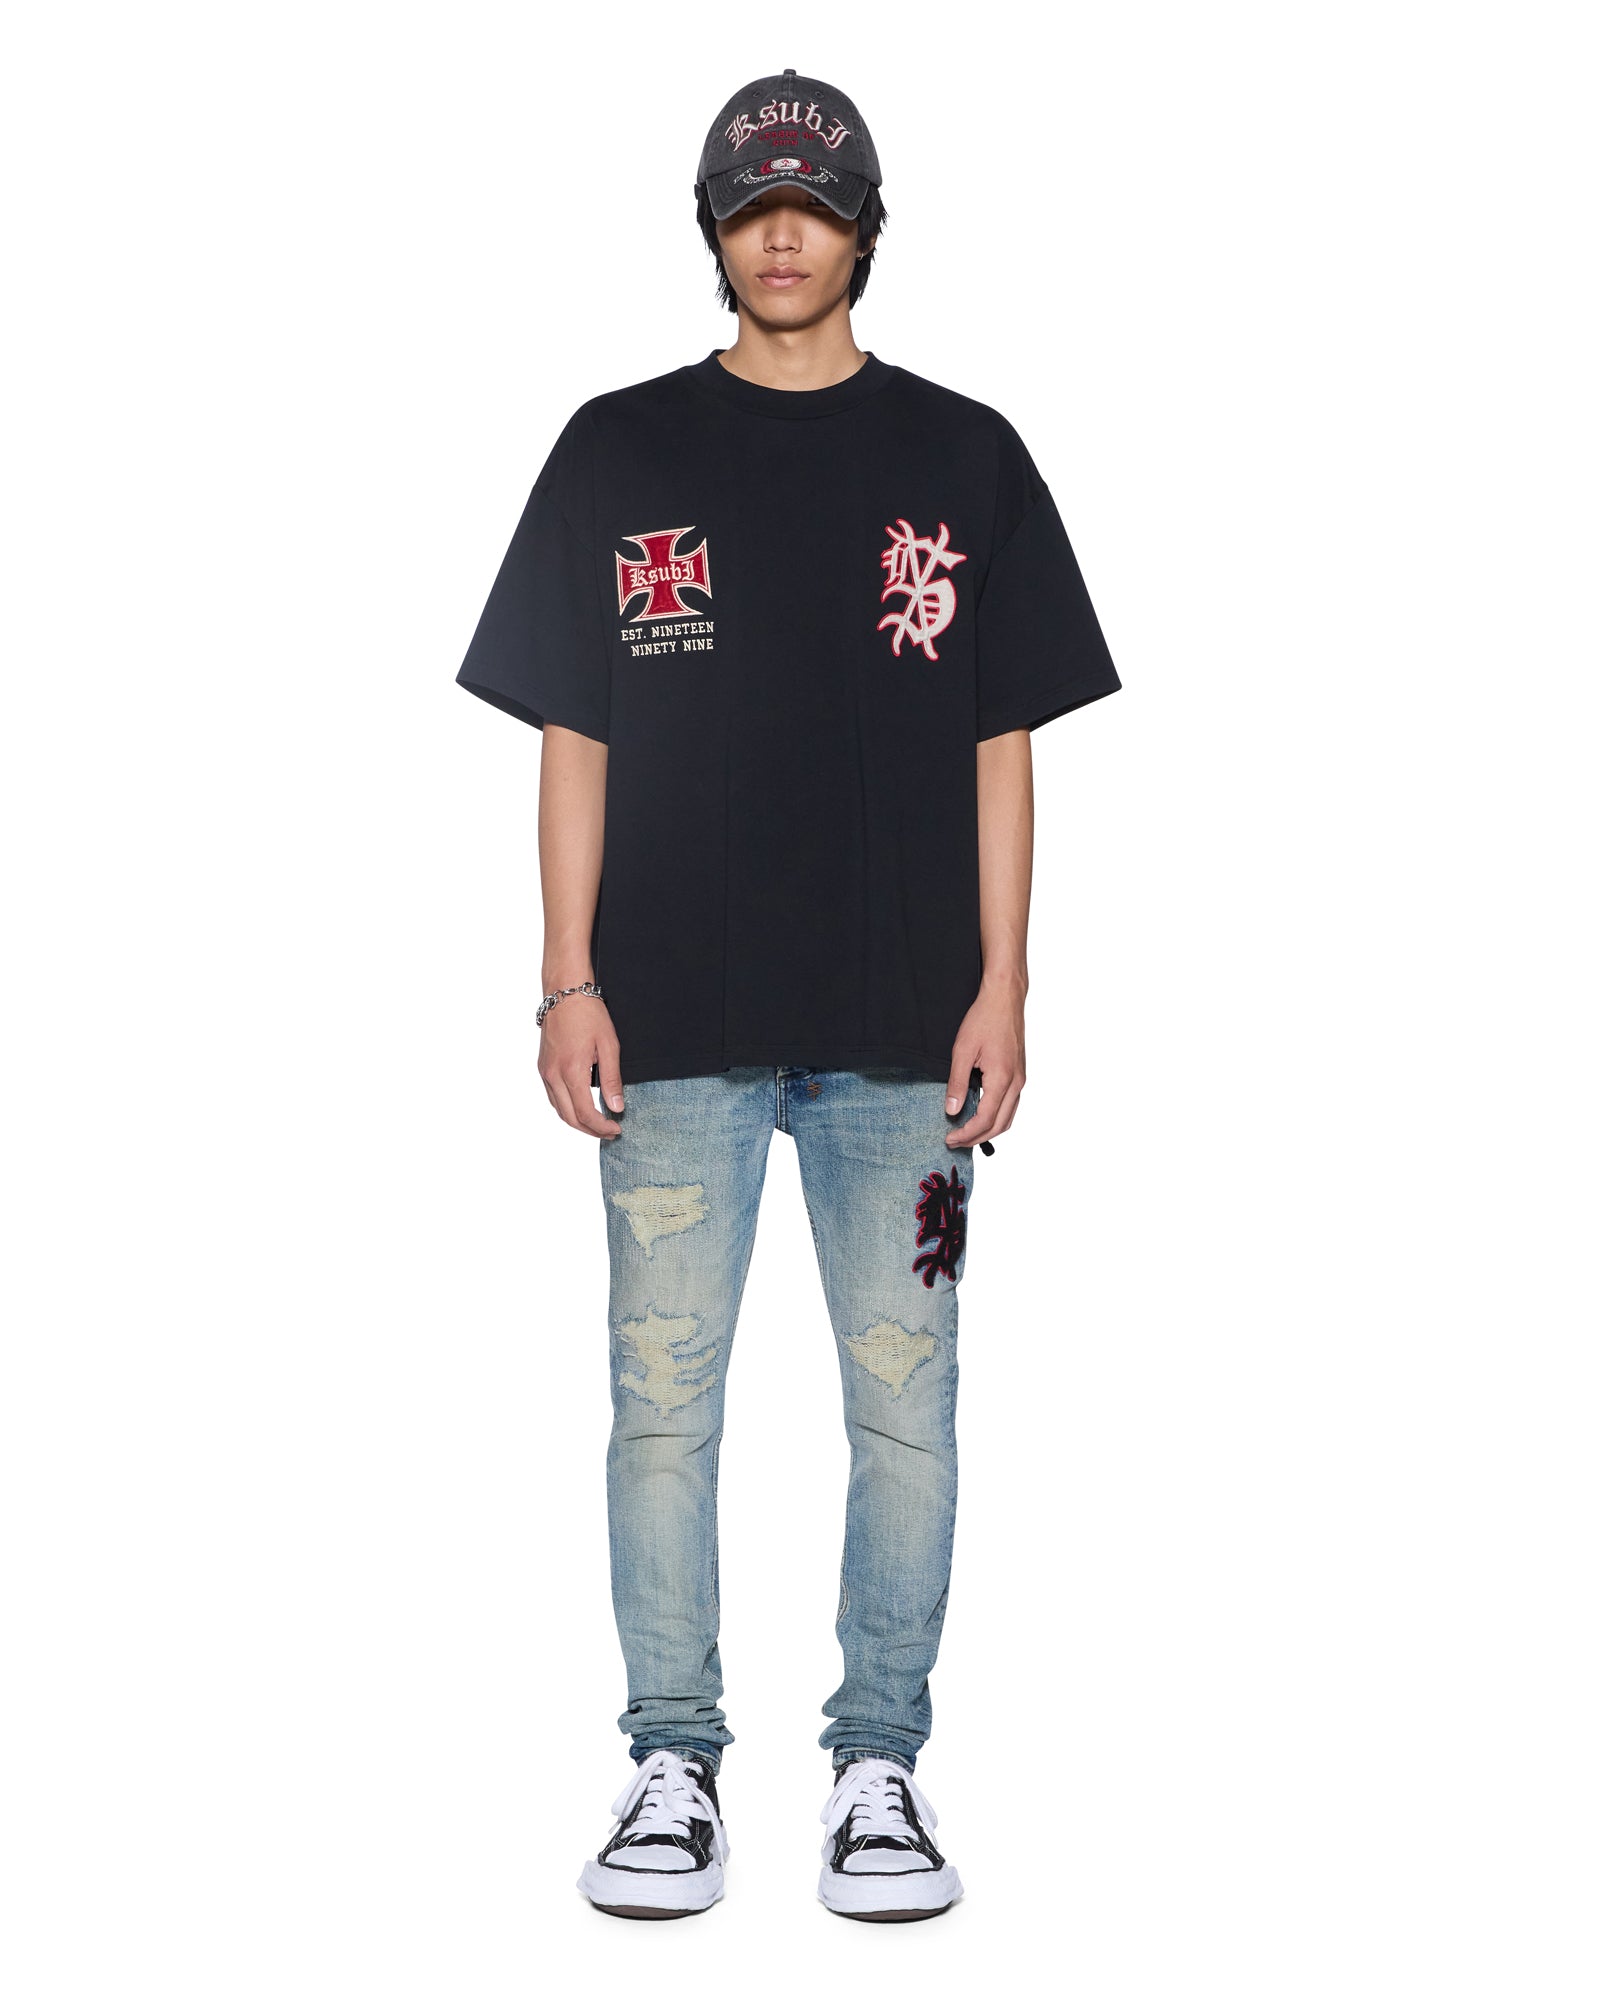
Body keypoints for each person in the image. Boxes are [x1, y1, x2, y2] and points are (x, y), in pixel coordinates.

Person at [454, 66, 1121, 1923]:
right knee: (661, 1410)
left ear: (865, 230)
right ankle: (672, 1762)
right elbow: (571, 734)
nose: (782, 233)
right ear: (712, 226)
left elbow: (1004, 740)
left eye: (814, 204)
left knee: (906, 1407)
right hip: (667, 1026)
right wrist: (564, 980)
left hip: (908, 1036)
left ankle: (878, 1767)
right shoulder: (618, 452)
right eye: (752, 202)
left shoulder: (966, 460)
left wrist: (1006, 985)